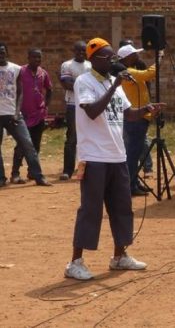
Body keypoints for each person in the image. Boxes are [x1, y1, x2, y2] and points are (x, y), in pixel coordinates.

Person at [64, 38, 163, 281]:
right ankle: (75, 262)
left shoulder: (115, 83)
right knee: (91, 209)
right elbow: (92, 110)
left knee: (122, 208)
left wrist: (146, 110)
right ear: (93, 59)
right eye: (108, 57)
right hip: (94, 156)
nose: (112, 61)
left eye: (113, 57)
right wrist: (113, 86)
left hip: (117, 155)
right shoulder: (84, 82)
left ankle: (120, 256)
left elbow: (128, 114)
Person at [0, 43, 52, 187]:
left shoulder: (16, 69)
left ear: (7, 53)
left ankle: (38, 176)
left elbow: (20, 92)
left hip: (13, 114)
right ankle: (1, 178)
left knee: (27, 144)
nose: (1, 55)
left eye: (3, 52)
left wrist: (17, 112)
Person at [117, 43, 156, 195]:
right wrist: (159, 60)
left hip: (140, 116)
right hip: (135, 117)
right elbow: (148, 74)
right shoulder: (127, 72)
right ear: (127, 58)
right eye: (134, 54)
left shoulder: (131, 70)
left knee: (136, 152)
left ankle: (134, 182)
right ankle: (130, 186)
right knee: (133, 154)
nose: (138, 56)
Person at [59, 40, 91, 180]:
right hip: (73, 105)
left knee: (89, 137)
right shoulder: (67, 65)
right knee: (72, 138)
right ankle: (67, 170)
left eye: (84, 50)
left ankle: (86, 169)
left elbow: (92, 85)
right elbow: (67, 85)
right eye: (78, 50)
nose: (81, 53)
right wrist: (85, 87)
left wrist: (77, 84)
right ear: (74, 51)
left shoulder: (90, 66)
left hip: (89, 105)